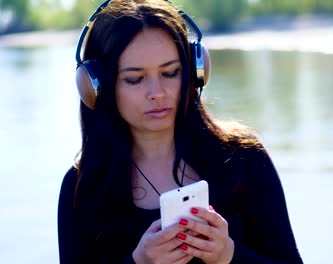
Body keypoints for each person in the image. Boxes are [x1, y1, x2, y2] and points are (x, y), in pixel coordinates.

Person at [57, 0, 303, 263]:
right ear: (98, 88)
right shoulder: (81, 187)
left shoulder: (244, 158)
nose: (157, 93)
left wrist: (229, 255)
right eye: (135, 79)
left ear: (193, 73)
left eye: (170, 73)